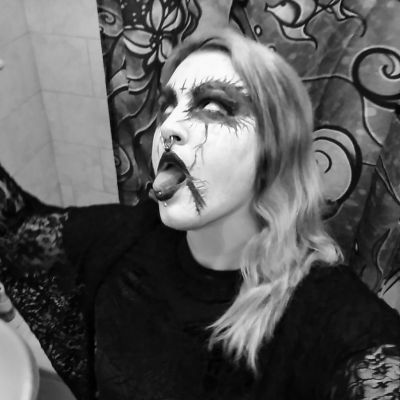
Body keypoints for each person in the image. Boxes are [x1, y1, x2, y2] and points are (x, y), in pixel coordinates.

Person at [0, 29, 400, 400]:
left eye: (212, 106)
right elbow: (18, 231)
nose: (168, 127)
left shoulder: (326, 311)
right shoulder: (131, 234)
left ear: (275, 151)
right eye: (167, 107)